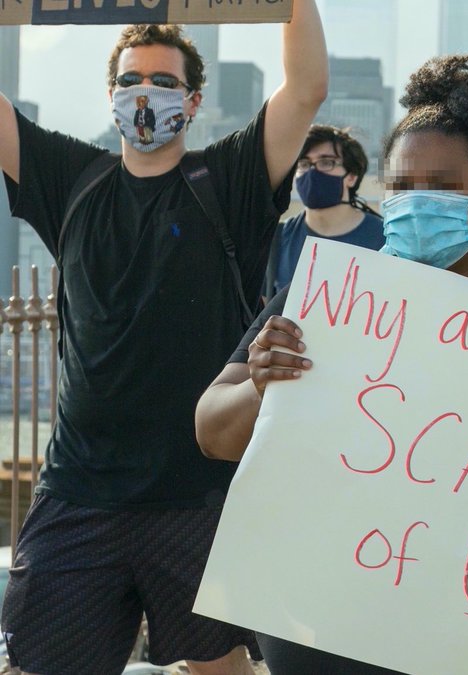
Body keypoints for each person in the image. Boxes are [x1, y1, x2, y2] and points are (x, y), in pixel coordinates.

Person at [195, 50, 468, 674]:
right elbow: (212, 431)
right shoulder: (329, 299)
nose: (417, 203)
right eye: (404, 187)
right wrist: (260, 382)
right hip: (328, 611)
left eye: (442, 189)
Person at [0, 10, 328, 674]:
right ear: (110, 92)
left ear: (194, 98)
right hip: (79, 491)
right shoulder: (72, 177)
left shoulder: (228, 178)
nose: (144, 93)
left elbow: (306, 89)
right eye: (130, 79)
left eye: (162, 79)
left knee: (218, 667)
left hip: (199, 495)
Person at [267, 125, 383, 297]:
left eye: (326, 162)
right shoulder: (276, 239)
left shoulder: (384, 239)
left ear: (351, 176)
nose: (313, 172)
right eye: (304, 164)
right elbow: (261, 314)